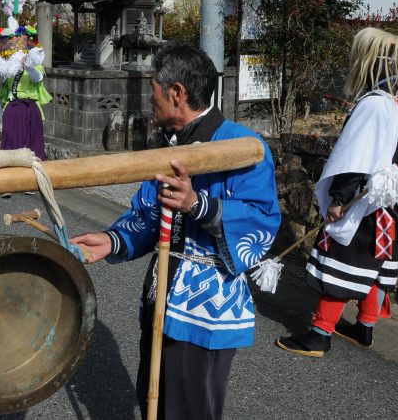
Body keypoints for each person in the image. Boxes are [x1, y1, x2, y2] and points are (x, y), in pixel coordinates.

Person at [70, 44, 281, 420]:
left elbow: (262, 221)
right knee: (155, 397)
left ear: (177, 93)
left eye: (153, 87)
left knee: (189, 410)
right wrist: (113, 241)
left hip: (207, 309)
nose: (149, 97)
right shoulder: (172, 148)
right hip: (163, 295)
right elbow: (148, 215)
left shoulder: (244, 147)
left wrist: (199, 205)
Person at [275, 27, 398, 357]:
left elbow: (354, 159)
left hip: (366, 203)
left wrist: (338, 200)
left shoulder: (375, 104)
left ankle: (320, 334)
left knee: (342, 260)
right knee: (377, 261)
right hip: (390, 204)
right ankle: (365, 325)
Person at [0, 24, 50, 160]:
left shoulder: (34, 62)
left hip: (31, 107)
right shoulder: (7, 65)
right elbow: (1, 80)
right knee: (13, 145)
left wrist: (27, 65)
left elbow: (38, 78)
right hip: (13, 107)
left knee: (33, 146)